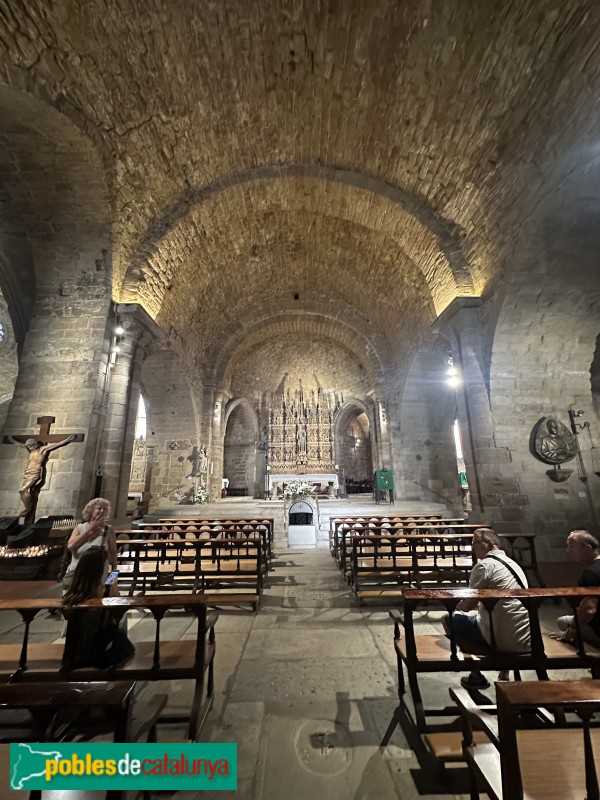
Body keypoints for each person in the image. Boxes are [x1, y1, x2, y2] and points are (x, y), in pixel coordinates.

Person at [442, 528, 530, 689]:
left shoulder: (484, 566)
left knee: (448, 620)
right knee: (500, 616)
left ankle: (475, 673)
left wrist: (459, 603)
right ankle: (504, 673)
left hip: (500, 639)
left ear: (489, 544)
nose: (472, 546)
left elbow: (468, 606)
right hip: (525, 636)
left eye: (475, 542)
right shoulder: (514, 565)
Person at [60, 546, 134, 669]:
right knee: (122, 622)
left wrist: (112, 576)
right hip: (98, 652)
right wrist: (113, 580)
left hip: (74, 652)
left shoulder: (77, 588)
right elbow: (116, 607)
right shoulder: (102, 591)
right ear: (100, 569)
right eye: (106, 566)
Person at [7, 434, 75, 523]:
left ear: (35, 445)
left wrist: (68, 439)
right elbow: (20, 445)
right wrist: (12, 440)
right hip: (27, 473)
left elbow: (56, 445)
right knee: (21, 491)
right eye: (28, 446)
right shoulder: (31, 452)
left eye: (31, 446)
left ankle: (27, 508)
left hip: (35, 473)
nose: (29, 448)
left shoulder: (42, 450)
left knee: (24, 489)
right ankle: (28, 507)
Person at [550, 530, 600, 647]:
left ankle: (592, 658)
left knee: (563, 622)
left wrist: (571, 631)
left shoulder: (591, 573)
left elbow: (589, 610)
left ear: (587, 548)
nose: (569, 551)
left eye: (572, 546)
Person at [63, 498, 118, 593]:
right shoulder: (80, 528)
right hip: (75, 576)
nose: (102, 511)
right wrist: (89, 530)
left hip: (97, 578)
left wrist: (112, 582)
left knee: (93, 606)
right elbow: (71, 546)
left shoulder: (108, 530)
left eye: (105, 509)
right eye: (99, 508)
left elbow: (114, 558)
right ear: (91, 510)